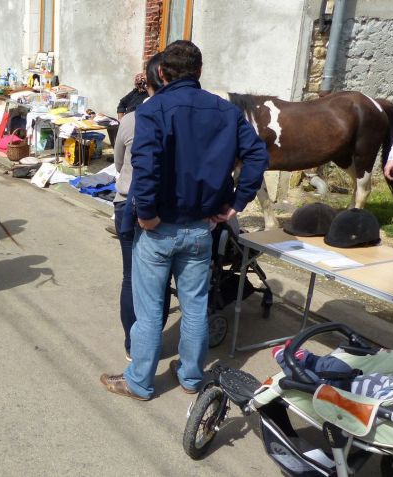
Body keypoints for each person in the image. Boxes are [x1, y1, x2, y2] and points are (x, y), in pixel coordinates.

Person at [100, 40, 269, 401]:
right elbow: (257, 155)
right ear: (200, 72)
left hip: (161, 226)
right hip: (200, 228)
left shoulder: (151, 111)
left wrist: (145, 214)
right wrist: (236, 203)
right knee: (193, 306)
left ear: (161, 73)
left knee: (150, 309)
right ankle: (191, 377)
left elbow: (145, 167)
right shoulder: (225, 111)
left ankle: (140, 382)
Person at [105, 52, 172, 364]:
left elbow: (119, 165)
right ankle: (151, 341)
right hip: (163, 208)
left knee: (131, 275)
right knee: (159, 278)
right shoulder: (176, 121)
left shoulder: (131, 120)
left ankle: (134, 345)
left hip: (128, 204)